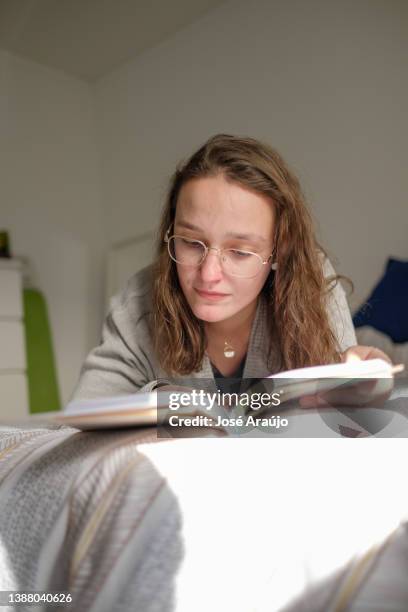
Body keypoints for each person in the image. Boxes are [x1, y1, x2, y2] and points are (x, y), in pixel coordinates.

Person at [71, 133, 390, 403]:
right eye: (191, 243)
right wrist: (161, 403)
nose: (209, 274)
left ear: (279, 251)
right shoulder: (138, 304)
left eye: (239, 251)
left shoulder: (312, 281)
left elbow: (346, 423)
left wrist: (363, 396)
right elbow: (75, 432)